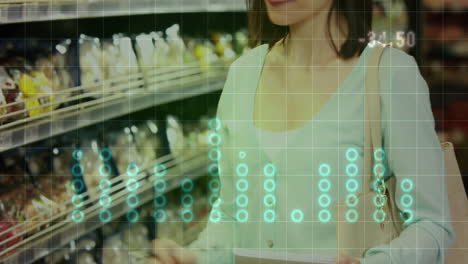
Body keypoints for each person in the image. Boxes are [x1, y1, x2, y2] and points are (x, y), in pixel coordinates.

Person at [149, 0, 454, 263]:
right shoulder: (242, 74)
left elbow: (431, 224)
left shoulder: (390, 75)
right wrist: (196, 256)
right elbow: (231, 214)